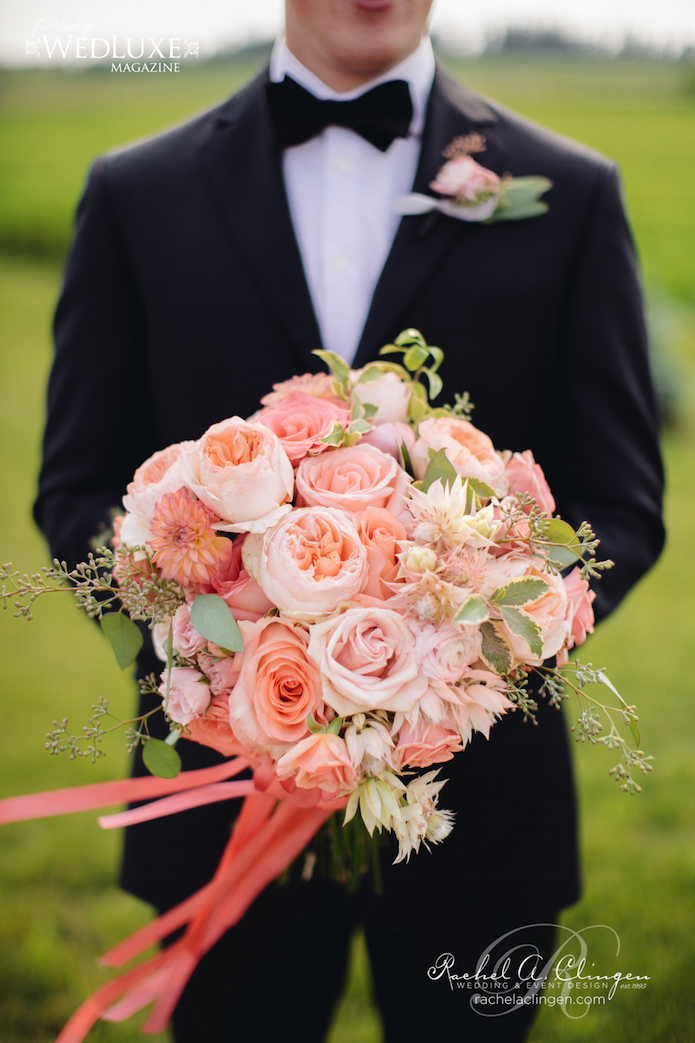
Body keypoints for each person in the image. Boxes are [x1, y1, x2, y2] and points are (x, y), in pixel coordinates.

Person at [34, 0, 665, 1039]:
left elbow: (618, 503)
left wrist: (467, 636)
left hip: (479, 807)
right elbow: (78, 485)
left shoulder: (568, 193)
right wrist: (215, 640)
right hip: (217, 795)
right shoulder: (136, 192)